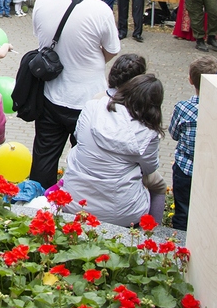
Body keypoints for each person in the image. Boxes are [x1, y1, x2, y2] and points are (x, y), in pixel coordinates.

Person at [30, 0, 120, 190]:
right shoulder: (100, 9)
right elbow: (112, 49)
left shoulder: (43, 0)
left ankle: (38, 202)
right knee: (88, 159)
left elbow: (40, 37)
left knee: (44, 157)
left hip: (51, 93)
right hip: (89, 98)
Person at [60, 75, 166, 226]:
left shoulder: (92, 106)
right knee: (159, 186)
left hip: (73, 201)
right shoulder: (148, 132)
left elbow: (78, 136)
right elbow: (148, 168)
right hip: (122, 214)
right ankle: (154, 232)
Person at [169, 56, 217, 231]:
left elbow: (174, 134)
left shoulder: (183, 108)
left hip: (184, 168)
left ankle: (179, 241)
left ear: (190, 80)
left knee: (182, 212)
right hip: (211, 170)